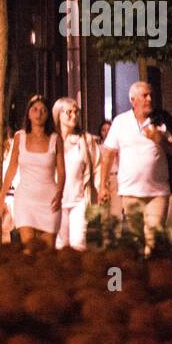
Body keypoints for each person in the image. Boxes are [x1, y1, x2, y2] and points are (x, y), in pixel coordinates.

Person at [98, 81, 172, 254]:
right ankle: (139, 274)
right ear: (133, 100)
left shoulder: (161, 120)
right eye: (144, 96)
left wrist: (161, 140)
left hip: (158, 192)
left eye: (151, 95)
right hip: (130, 192)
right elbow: (108, 154)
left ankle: (151, 274)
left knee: (153, 239)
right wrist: (102, 185)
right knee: (137, 238)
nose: (149, 99)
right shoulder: (121, 122)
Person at [1, 95, 64, 252]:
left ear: (48, 114)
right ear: (28, 113)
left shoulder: (55, 139)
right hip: (26, 199)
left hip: (49, 198)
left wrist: (60, 193)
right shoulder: (19, 137)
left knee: (48, 252)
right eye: (35, 109)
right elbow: (12, 167)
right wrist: (1, 196)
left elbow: (62, 171)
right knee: (28, 250)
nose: (39, 113)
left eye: (43, 110)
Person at [52, 97, 99, 250]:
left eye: (76, 112)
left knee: (78, 243)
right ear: (58, 114)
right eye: (69, 112)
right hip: (56, 201)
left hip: (78, 199)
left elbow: (96, 166)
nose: (74, 115)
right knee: (60, 245)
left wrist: (99, 189)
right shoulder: (50, 140)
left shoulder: (85, 140)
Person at [98, 119, 122, 219]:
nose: (106, 132)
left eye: (109, 129)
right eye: (104, 130)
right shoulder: (98, 147)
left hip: (115, 177)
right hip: (102, 180)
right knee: (104, 213)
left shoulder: (118, 146)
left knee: (116, 212)